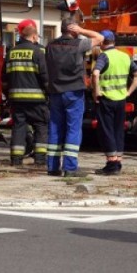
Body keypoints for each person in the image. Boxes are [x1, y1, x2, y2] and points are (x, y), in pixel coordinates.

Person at [45, 18, 103, 177]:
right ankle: (70, 168)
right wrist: (82, 31)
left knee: (55, 128)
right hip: (74, 92)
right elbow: (100, 38)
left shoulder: (50, 45)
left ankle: (52, 167)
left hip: (56, 91)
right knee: (73, 128)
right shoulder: (78, 45)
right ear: (72, 30)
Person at [91, 30, 137, 175]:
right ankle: (118, 161)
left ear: (102, 42)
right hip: (121, 99)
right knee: (118, 130)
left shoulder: (104, 56)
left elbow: (95, 74)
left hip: (106, 99)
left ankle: (111, 163)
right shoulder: (125, 56)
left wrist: (96, 92)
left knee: (106, 131)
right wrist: (129, 91)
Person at [3, 19, 49, 167]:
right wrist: (49, 95)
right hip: (37, 99)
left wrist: (8, 95)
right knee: (41, 126)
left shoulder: (11, 53)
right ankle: (40, 159)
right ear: (34, 36)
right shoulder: (38, 52)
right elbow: (45, 77)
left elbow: (4, 78)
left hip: (16, 98)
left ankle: (16, 159)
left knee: (18, 127)